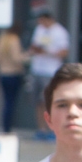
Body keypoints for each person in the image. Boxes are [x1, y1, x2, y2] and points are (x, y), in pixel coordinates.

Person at [30, 10, 71, 138]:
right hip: (37, 69)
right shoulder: (39, 30)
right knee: (38, 102)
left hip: (50, 70)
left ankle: (52, 129)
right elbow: (34, 45)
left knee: (49, 101)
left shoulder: (60, 32)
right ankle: (41, 129)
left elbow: (64, 52)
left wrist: (47, 52)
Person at [0, 28, 28, 134]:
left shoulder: (2, 39)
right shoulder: (14, 40)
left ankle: (5, 126)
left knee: (6, 101)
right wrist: (28, 56)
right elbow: (16, 58)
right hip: (13, 73)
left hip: (3, 73)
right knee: (11, 102)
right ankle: (8, 127)